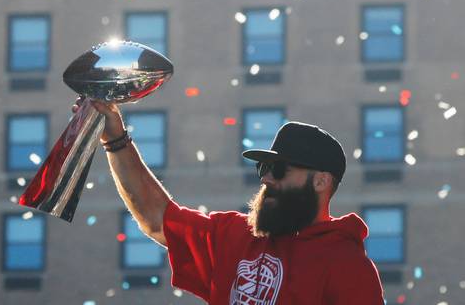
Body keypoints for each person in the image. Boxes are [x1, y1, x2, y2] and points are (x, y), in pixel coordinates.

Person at [76, 98, 385, 304]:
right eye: (264, 168)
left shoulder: (348, 266)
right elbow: (157, 218)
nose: (266, 179)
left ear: (321, 181)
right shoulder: (235, 235)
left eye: (279, 169)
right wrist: (115, 140)